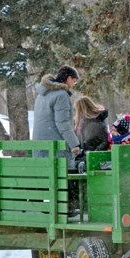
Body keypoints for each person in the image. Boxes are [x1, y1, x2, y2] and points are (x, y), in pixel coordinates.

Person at [32, 65, 81, 216]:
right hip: (56, 146)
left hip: (41, 146)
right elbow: (63, 124)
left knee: (47, 177)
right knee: (67, 173)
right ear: (68, 79)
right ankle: (67, 209)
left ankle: (46, 207)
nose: (74, 84)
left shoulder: (42, 94)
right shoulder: (61, 95)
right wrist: (75, 145)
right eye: (74, 80)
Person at [73, 96, 110, 172]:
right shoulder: (82, 123)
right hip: (84, 154)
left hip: (92, 156)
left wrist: (93, 154)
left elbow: (106, 141)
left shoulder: (96, 123)